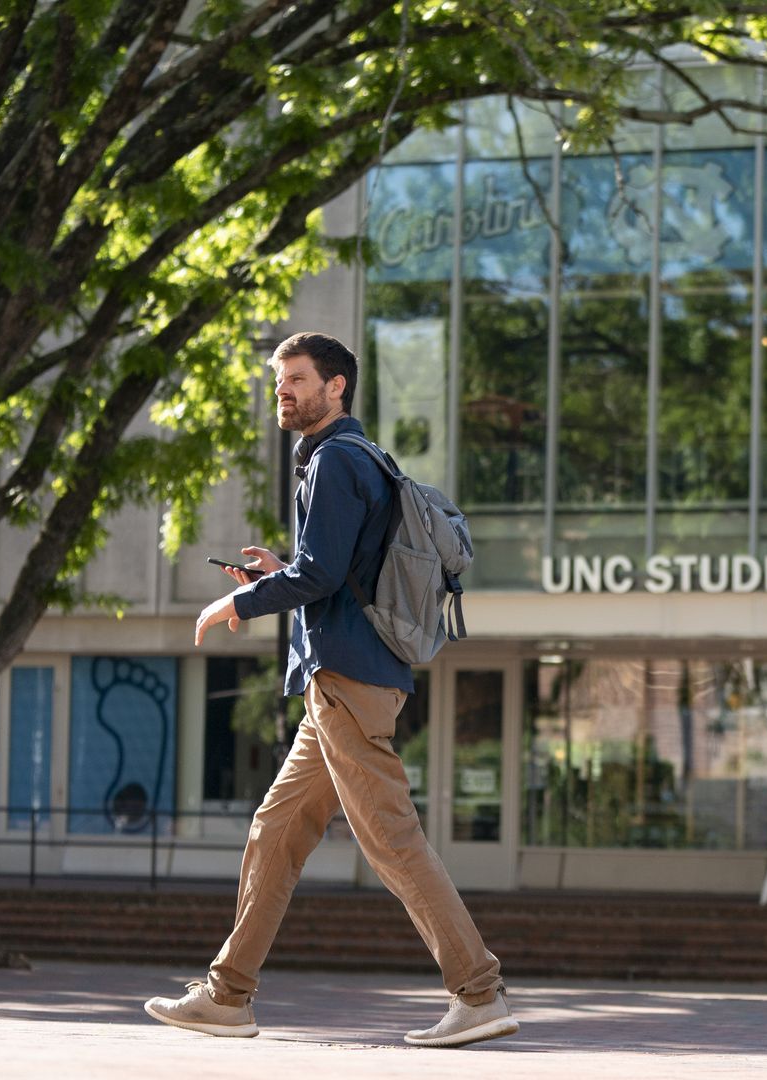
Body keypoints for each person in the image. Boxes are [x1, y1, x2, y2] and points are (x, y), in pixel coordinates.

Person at [143, 332, 518, 1049]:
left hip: (348, 680)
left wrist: (238, 605)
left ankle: (478, 991)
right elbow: (333, 571)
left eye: (297, 380)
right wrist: (274, 574)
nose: (283, 391)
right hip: (343, 681)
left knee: (390, 838)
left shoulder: (338, 460)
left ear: (337, 386)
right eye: (278, 381)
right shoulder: (351, 459)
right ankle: (228, 996)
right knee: (276, 831)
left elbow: (317, 576)